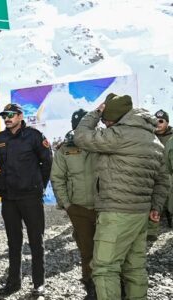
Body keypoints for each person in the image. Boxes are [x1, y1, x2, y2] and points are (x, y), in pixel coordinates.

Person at [73, 93, 169, 300]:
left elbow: (80, 137)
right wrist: (156, 207)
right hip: (141, 213)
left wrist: (95, 113)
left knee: (104, 268)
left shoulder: (119, 135)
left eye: (106, 120)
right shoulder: (153, 139)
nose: (105, 124)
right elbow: (163, 180)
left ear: (113, 118)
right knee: (134, 268)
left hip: (117, 213)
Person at [0, 103, 52, 297]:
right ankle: (13, 283)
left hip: (30, 197)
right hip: (9, 198)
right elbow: (2, 165)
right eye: (5, 116)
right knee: (13, 242)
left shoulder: (34, 136)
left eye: (11, 115)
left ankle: (39, 284)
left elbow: (47, 162)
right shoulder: (1, 138)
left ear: (20, 116)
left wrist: (38, 186)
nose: (7, 118)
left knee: (36, 241)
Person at [50, 109, 98, 299]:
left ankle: (112, 284)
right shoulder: (65, 149)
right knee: (87, 250)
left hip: (104, 206)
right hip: (78, 208)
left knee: (108, 249)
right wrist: (67, 204)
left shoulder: (102, 143)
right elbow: (57, 178)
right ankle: (90, 284)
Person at [148, 109, 173, 237]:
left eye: (161, 121)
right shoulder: (149, 135)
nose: (158, 123)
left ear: (167, 123)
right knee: (154, 199)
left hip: (168, 172)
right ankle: (152, 231)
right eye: (155, 121)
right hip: (153, 171)